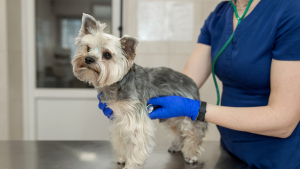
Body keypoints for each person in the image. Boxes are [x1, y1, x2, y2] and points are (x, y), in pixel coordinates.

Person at [98, 0, 300, 168]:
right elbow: (184, 82)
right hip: (231, 149)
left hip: (278, 157)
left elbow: (284, 122)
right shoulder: (221, 13)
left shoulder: (291, 10)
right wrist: (129, 89)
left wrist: (195, 109)